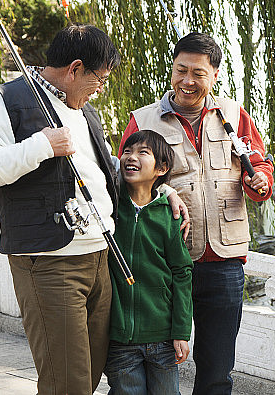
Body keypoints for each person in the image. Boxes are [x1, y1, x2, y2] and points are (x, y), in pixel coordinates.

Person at [0, 24, 187, 395]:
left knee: (91, 373)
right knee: (68, 383)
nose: (101, 87)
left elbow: (105, 168)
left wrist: (163, 190)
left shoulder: (83, 110)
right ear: (75, 69)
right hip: (49, 262)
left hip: (100, 258)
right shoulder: (6, 101)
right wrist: (40, 145)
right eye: (100, 78)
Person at [118, 32, 274, 395]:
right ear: (171, 69)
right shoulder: (142, 121)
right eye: (180, 70)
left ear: (214, 75)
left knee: (218, 371)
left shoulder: (234, 116)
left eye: (198, 73)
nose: (188, 81)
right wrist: (164, 189)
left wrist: (260, 182)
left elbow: (258, 166)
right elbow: (123, 182)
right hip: (164, 263)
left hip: (224, 261)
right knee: (157, 363)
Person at [105, 129, 193, 395]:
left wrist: (181, 331)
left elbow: (182, 272)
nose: (131, 157)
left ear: (161, 168)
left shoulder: (168, 215)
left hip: (162, 337)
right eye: (128, 151)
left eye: (143, 152)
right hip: (120, 339)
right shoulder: (109, 208)